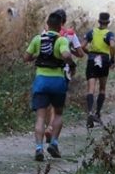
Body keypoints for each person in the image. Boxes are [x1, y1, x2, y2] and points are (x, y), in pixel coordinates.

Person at [24, 11, 76, 161]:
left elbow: (26, 57)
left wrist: (37, 56)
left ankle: (39, 147)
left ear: (47, 24)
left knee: (40, 116)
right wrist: (72, 65)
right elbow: (66, 55)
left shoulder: (37, 39)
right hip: (58, 81)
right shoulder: (62, 40)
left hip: (41, 81)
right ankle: (53, 143)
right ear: (61, 26)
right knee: (58, 113)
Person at [83, 12, 115, 127]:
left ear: (99, 21)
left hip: (92, 59)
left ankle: (90, 112)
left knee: (90, 89)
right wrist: (112, 59)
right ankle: (97, 114)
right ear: (108, 22)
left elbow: (82, 46)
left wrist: (90, 53)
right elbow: (112, 45)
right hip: (104, 60)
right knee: (102, 88)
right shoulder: (109, 34)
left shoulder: (91, 32)